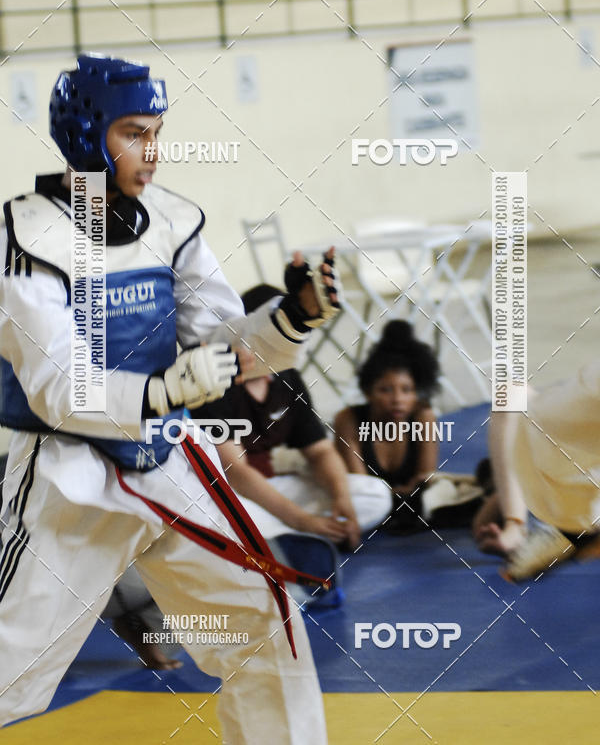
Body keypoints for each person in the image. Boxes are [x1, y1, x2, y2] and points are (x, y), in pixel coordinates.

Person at [0, 52, 342, 741]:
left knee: (266, 627)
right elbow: (57, 387)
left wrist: (292, 317)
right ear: (86, 134)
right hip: (73, 477)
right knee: (9, 670)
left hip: (172, 461)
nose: (151, 152)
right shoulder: (23, 236)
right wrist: (162, 389)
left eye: (156, 131)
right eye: (133, 132)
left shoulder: (171, 222)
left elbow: (222, 338)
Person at [198, 285, 391, 554]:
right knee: (226, 521)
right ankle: (296, 535)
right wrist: (301, 520)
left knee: (374, 493)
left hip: (273, 488)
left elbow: (320, 451)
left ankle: (297, 537)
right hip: (232, 495)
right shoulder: (216, 383)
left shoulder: (287, 378)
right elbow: (236, 473)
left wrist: (342, 499)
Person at [473, 365, 600, 580]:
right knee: (510, 395)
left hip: (581, 511)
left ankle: (576, 530)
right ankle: (517, 530)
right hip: (567, 506)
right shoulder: (533, 471)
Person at [334, 320, 440, 532]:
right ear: (367, 392)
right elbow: (360, 487)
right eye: (385, 390)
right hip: (368, 507)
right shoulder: (348, 420)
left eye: (407, 390)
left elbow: (425, 478)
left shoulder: (423, 417)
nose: (397, 399)